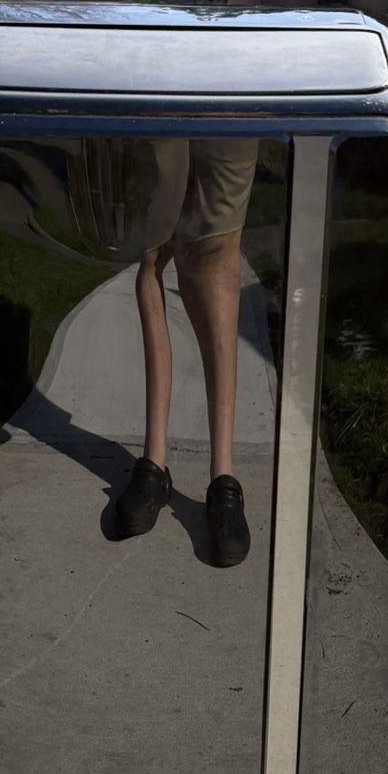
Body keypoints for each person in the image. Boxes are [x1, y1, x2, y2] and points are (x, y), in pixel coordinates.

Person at [113, 138, 257, 566]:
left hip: (232, 101)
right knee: (152, 251)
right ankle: (154, 463)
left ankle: (223, 476)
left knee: (219, 245)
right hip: (157, 98)